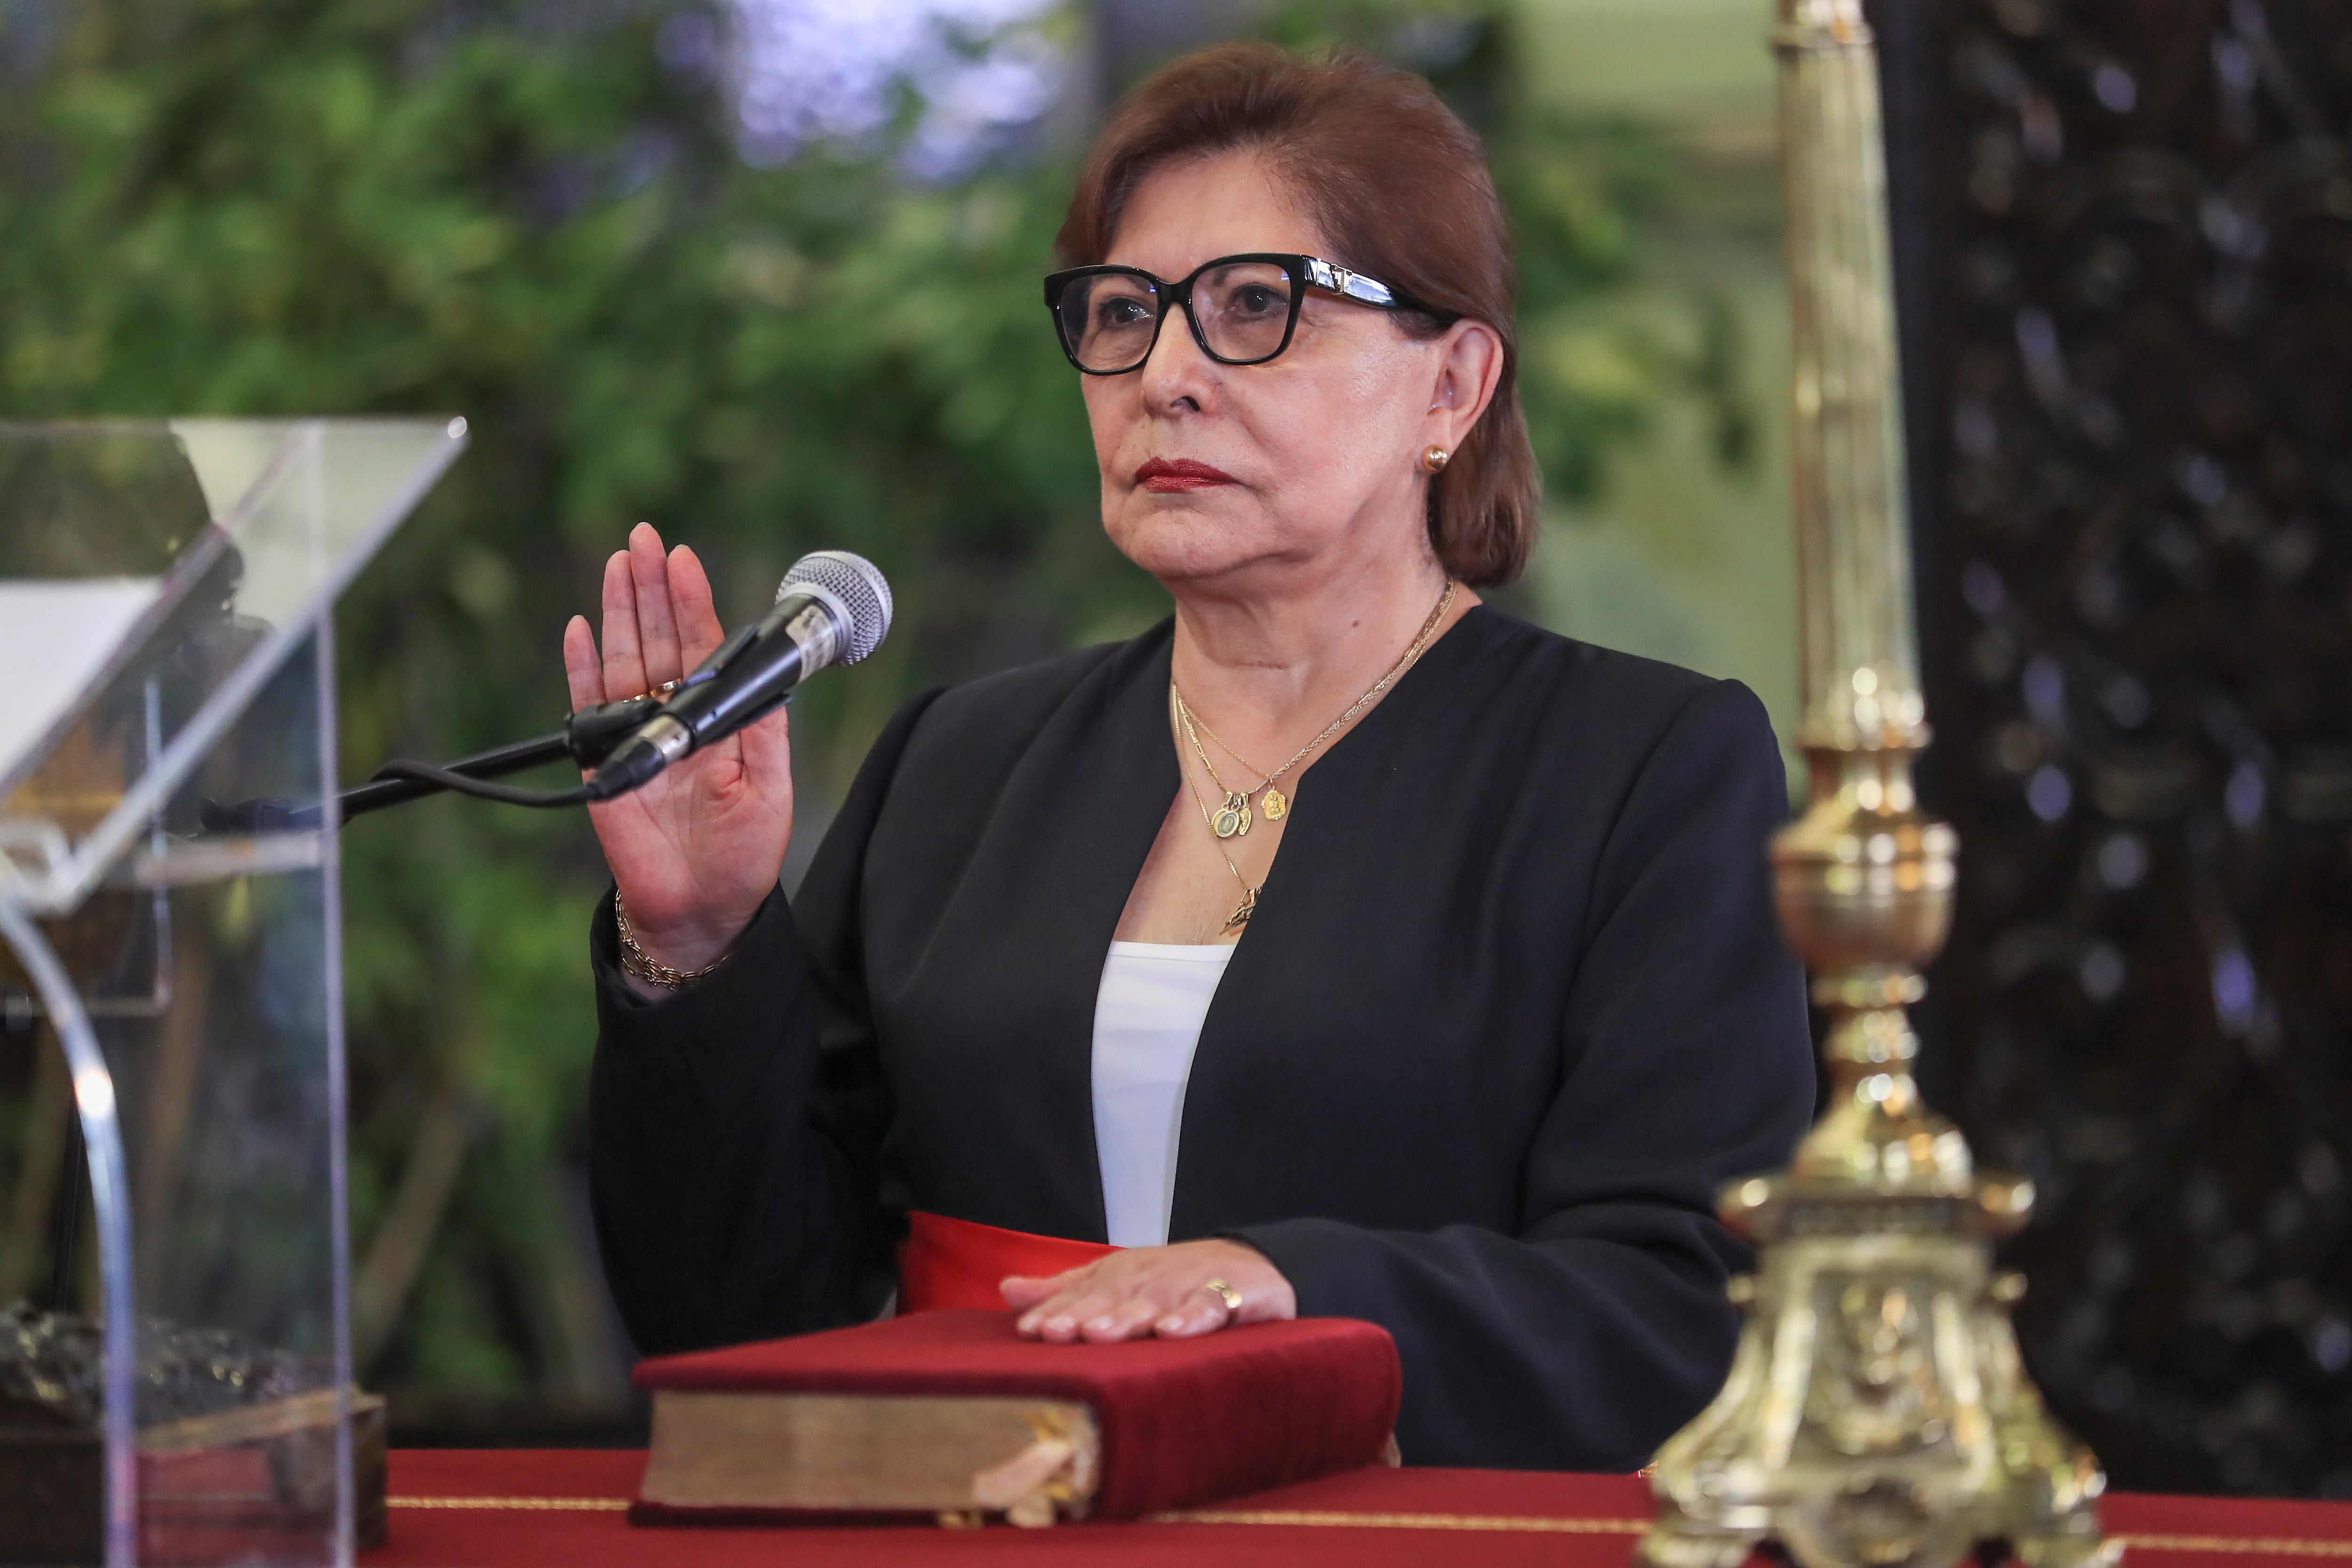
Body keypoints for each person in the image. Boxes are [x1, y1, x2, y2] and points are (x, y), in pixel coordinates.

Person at [570, 43, 1813, 1471]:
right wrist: (700, 942)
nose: (1164, 374)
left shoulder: (1643, 769)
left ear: (1451, 389)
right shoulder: (959, 766)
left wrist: (1299, 1294)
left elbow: (1684, 1310)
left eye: (1254, 308)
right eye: (1122, 311)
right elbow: (737, 1326)